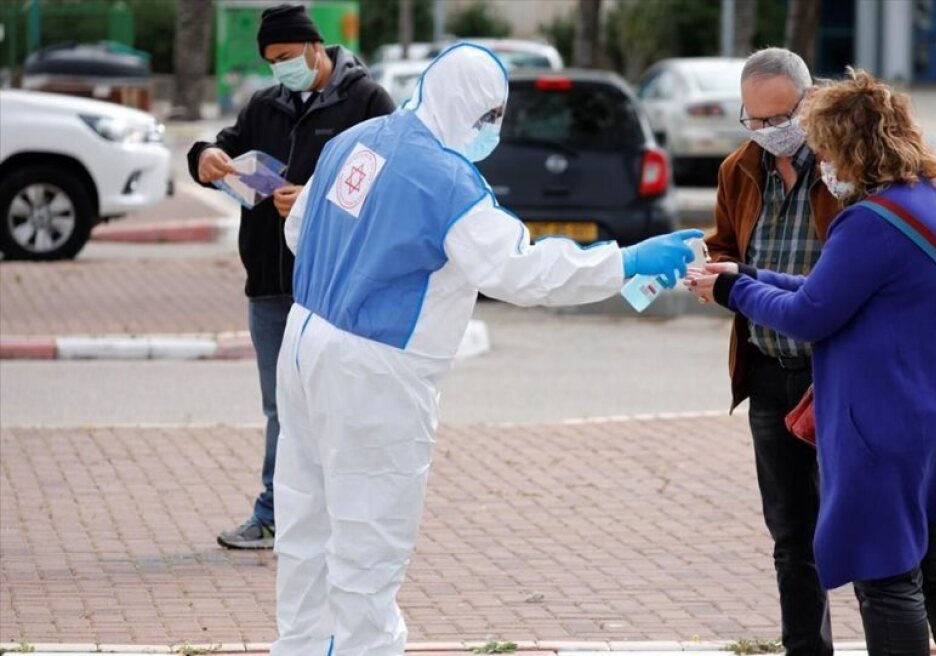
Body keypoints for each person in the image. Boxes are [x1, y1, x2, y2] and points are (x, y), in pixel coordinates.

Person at [271, 42, 703, 655]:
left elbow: (297, 230)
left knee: (305, 521)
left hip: (306, 339)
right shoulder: (448, 182)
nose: (492, 132)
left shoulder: (357, 140)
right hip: (378, 368)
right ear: (466, 106)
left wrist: (355, 260)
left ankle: (302, 647)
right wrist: (626, 261)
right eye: (489, 118)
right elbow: (520, 271)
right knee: (370, 537)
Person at [687, 68, 936, 655]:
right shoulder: (933, 204)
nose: (824, 164)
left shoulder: (869, 221)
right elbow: (834, 287)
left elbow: (814, 313)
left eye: (828, 150)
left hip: (891, 426)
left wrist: (732, 292)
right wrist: (752, 274)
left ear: (854, 149)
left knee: (887, 579)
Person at [187, 3, 395, 550]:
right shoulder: (265, 105)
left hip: (334, 287)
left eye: (285, 57)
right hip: (270, 286)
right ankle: (274, 513)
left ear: (313, 46)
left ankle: (348, 518)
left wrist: (313, 201)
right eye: (271, 61)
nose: (280, 69)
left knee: (340, 405)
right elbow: (226, 147)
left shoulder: (367, 103)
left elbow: (391, 184)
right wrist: (206, 155)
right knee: (283, 407)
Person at [702, 47, 840, 654]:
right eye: (752, 121)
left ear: (809, 105)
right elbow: (727, 246)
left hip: (835, 373)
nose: (765, 134)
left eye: (776, 119)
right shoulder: (740, 168)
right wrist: (706, 270)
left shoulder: (842, 171)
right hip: (767, 373)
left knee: (861, 526)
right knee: (791, 534)